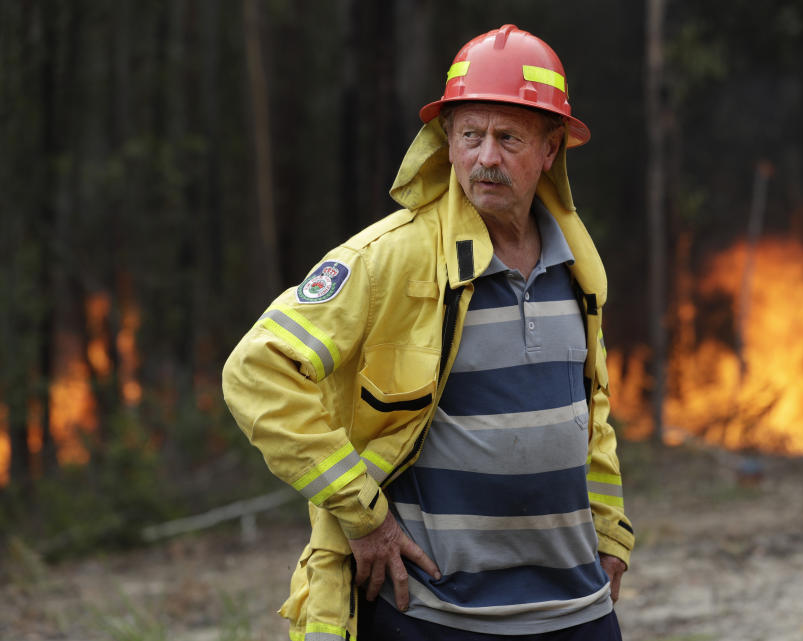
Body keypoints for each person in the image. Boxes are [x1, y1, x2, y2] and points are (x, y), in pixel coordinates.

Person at [222, 24, 634, 641]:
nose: (485, 157)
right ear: (446, 142)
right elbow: (257, 371)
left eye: (509, 137)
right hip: (437, 615)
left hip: (575, 612)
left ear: (551, 149)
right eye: (470, 135)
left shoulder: (577, 265)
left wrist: (610, 532)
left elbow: (590, 411)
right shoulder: (389, 259)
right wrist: (365, 518)